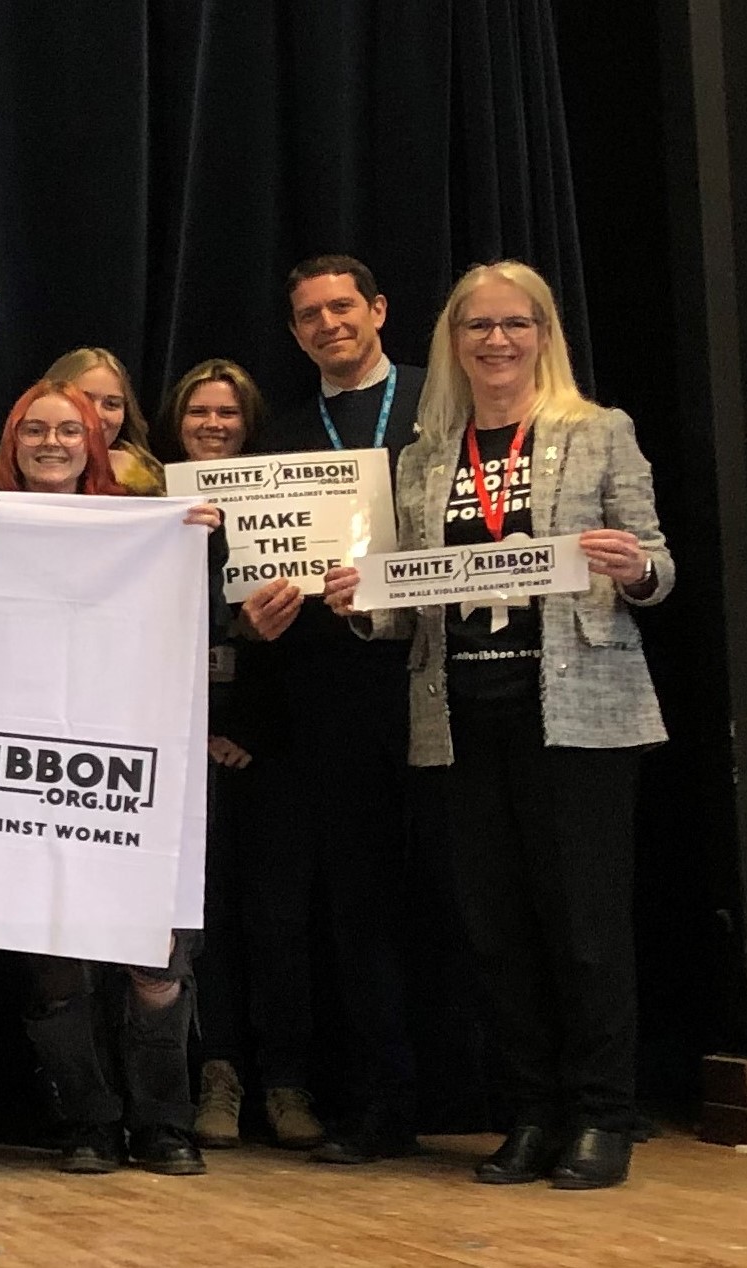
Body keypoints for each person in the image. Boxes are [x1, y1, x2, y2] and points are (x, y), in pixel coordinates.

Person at [324, 260, 672, 1191]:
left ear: (542, 334)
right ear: (452, 343)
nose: (495, 341)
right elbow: (404, 604)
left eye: (514, 324)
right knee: (495, 932)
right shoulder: (426, 457)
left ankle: (602, 1117)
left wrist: (632, 567)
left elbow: (660, 568)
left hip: (580, 718)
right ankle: (530, 1114)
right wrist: (359, 601)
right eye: (476, 327)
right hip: (459, 720)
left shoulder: (597, 433)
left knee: (586, 931)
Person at [0, 381, 218, 1177]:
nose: (50, 443)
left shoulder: (147, 529)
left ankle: (164, 1121)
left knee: (154, 959)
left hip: (136, 765)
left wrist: (195, 542)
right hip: (19, 770)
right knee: (53, 961)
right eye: (33, 430)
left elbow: (209, 626)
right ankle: (87, 1120)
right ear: (11, 441)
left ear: (94, 441)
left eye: (67, 429)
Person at [249, 255, 431, 1163]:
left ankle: (516, 1100)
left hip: (448, 681)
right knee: (358, 913)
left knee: (468, 899)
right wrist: (258, 615)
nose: (328, 324)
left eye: (342, 306)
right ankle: (381, 1106)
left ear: (379, 308)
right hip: (333, 697)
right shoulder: (277, 437)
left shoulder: (441, 404)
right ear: (293, 333)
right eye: (309, 315)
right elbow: (252, 574)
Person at [160, 358, 323, 1154]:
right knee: (207, 921)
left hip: (272, 746)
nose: (213, 425)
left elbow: (306, 636)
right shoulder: (155, 505)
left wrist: (246, 730)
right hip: (178, 743)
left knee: (277, 918)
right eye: (199, 413)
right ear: (176, 423)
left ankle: (286, 1080)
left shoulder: (290, 501)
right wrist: (197, 723)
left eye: (227, 413)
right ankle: (216, 1076)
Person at [45, 347, 168, 496]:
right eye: (83, 400)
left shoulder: (152, 485)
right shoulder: (18, 469)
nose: (97, 414)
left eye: (112, 404)